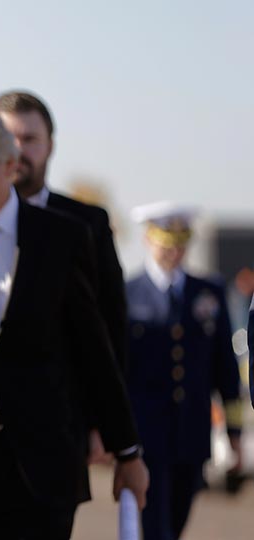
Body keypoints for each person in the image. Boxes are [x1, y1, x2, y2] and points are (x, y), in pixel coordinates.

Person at [0, 108, 148, 539]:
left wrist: (127, 451)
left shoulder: (61, 238)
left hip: (41, 463)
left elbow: (93, 349)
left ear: (9, 165)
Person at [0, 90, 130, 462]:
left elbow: (110, 325)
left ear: (50, 146)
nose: (18, 150)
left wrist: (105, 422)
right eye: (8, 138)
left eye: (30, 139)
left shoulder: (86, 224)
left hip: (61, 426)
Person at [126, 201, 243, 540]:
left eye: (180, 244)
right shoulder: (129, 293)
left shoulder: (208, 291)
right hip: (145, 435)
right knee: (155, 527)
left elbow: (225, 368)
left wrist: (234, 434)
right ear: (148, 239)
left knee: (176, 522)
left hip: (191, 432)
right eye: (166, 243)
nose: (174, 252)